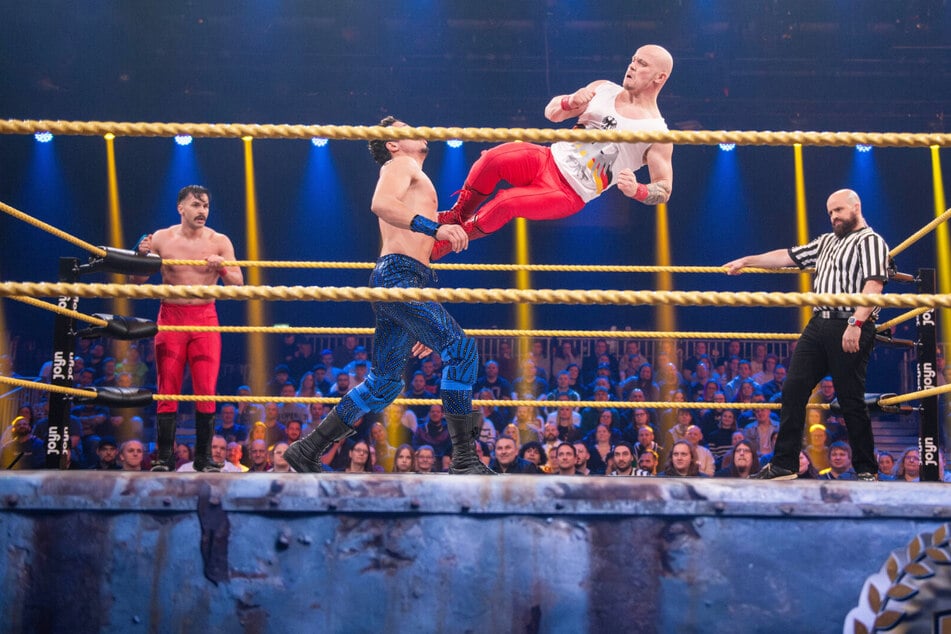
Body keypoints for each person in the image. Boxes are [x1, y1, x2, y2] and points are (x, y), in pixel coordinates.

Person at [283, 116, 492, 476]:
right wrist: (436, 228)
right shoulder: (400, 164)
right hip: (398, 277)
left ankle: (307, 449)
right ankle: (464, 459)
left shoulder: (415, 174)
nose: (417, 129)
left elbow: (415, 247)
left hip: (405, 278)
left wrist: (427, 307)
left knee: (384, 384)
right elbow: (381, 203)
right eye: (404, 128)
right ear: (392, 143)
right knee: (461, 349)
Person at [431, 45, 674, 260]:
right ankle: (456, 215)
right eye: (633, 59)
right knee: (493, 158)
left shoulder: (656, 131)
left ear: (659, 76)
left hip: (569, 192)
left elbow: (663, 189)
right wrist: (571, 101)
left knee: (506, 202)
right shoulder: (603, 89)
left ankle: (446, 244)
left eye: (642, 63)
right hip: (547, 158)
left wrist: (637, 190)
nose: (632, 65)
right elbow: (552, 113)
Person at [725, 189, 888, 481]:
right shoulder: (826, 242)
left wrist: (856, 322)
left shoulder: (872, 241)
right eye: (830, 213)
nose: (834, 217)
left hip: (849, 322)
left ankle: (866, 469)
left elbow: (874, 286)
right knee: (793, 388)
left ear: (856, 206)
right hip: (818, 323)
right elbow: (786, 257)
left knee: (850, 399)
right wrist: (747, 260)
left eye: (838, 210)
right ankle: (784, 463)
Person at [131, 185, 244, 472]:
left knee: (206, 389)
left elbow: (237, 283)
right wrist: (141, 253)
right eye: (196, 205)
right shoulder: (161, 238)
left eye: (206, 205)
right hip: (170, 316)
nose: (202, 211)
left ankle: (204, 458)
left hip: (205, 318)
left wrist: (221, 267)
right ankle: (165, 457)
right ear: (181, 208)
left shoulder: (219, 241)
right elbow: (138, 279)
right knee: (167, 387)